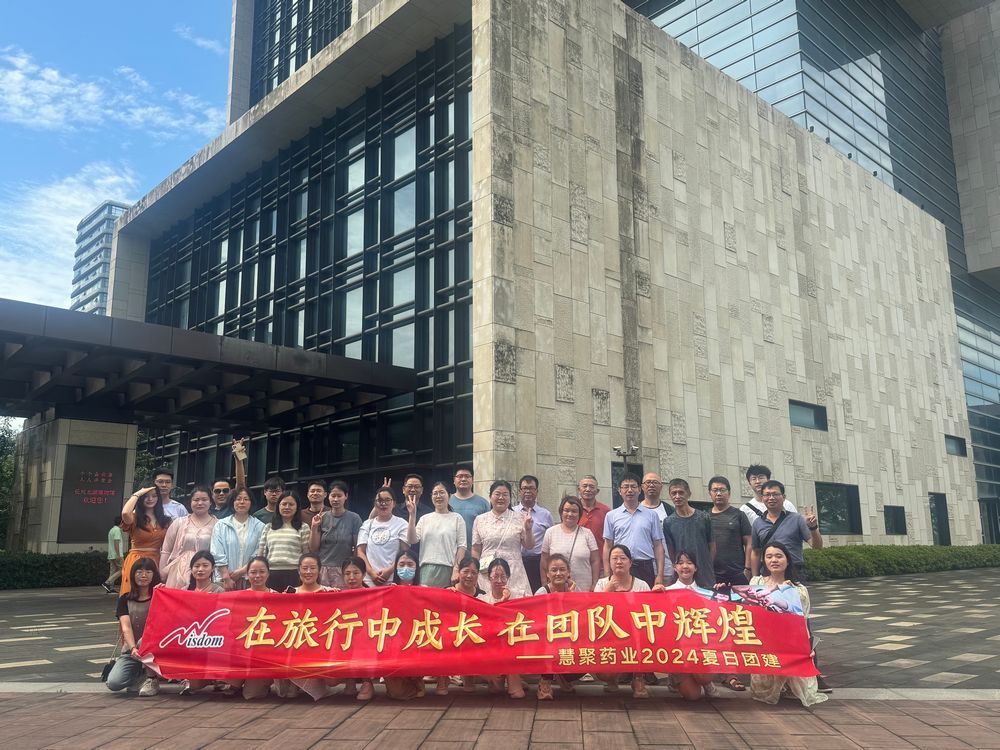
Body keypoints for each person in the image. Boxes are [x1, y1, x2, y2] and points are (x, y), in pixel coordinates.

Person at [749, 542, 828, 707]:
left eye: (779, 556)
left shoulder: (798, 590)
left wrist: (808, 647)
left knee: (802, 689)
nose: (774, 560)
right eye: (769, 556)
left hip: (788, 640)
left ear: (787, 560)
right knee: (762, 690)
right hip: (764, 640)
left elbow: (802, 621)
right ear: (764, 560)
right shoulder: (755, 583)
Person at [706, 475, 752, 692]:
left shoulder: (738, 515)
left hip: (737, 577)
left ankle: (740, 668)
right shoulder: (705, 517)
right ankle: (724, 672)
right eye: (715, 490)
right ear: (709, 493)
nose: (719, 493)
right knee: (717, 626)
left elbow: (749, 543)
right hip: (713, 579)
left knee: (738, 625)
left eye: (722, 490)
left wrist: (747, 569)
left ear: (729, 493)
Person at [593, 544, 657, 698]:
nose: (619, 562)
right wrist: (607, 591)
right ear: (609, 562)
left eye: (623, 558)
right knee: (603, 673)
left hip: (636, 635)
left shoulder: (642, 585)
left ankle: (638, 679)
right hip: (609, 635)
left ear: (630, 562)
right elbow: (594, 612)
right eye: (614, 558)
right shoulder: (602, 584)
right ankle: (611, 680)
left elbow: (650, 614)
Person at [664, 551, 719, 700]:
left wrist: (721, 592)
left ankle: (706, 683)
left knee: (704, 677)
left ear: (696, 568)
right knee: (692, 696)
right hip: (678, 651)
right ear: (675, 567)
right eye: (680, 563)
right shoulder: (666, 592)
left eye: (689, 563)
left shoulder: (707, 592)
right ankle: (674, 678)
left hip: (701, 647)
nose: (685, 566)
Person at [106, 557, 162, 696]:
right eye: (139, 572)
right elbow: (126, 627)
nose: (143, 575)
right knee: (114, 683)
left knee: (144, 642)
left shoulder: (159, 596)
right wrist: (132, 648)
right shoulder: (125, 599)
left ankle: (152, 679)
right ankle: (140, 675)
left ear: (154, 575)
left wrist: (164, 592)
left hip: (155, 649)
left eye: (148, 571)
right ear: (133, 575)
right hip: (132, 650)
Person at [602, 474, 666, 589]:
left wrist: (660, 575)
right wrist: (607, 574)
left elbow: (658, 546)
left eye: (633, 486)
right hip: (620, 566)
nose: (630, 490)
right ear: (619, 491)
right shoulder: (611, 516)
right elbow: (607, 546)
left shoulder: (652, 515)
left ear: (640, 489)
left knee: (646, 599)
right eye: (625, 487)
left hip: (645, 566)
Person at [472, 480, 534, 598]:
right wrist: (474, 573)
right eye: (497, 494)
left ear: (510, 498)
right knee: (489, 603)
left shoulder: (520, 518)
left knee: (515, 604)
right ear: (490, 497)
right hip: (487, 573)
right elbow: (476, 550)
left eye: (505, 494)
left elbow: (529, 546)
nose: (501, 498)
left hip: (514, 572)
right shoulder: (480, 520)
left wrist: (528, 529)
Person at [749, 480, 822, 577]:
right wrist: (754, 578)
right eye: (767, 495)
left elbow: (817, 546)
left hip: (793, 572)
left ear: (783, 497)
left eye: (775, 494)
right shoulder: (757, 523)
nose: (771, 498)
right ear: (762, 498)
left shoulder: (797, 519)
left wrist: (813, 528)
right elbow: (755, 552)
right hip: (768, 573)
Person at [476, 558, 525, 699]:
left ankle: (513, 680)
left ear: (508, 577)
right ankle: (499, 679)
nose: (499, 580)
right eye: (495, 576)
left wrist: (507, 602)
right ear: (488, 578)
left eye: (503, 576)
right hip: (490, 648)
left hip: (512, 645)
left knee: (517, 694)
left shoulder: (518, 596)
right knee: (496, 690)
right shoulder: (482, 599)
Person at [534, 554, 580, 700]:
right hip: (547, 638)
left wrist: (571, 598)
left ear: (568, 572)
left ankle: (564, 677)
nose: (558, 573)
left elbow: (583, 617)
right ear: (547, 574)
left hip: (570, 637)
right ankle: (545, 681)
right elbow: (536, 621)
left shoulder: (575, 590)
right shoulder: (541, 593)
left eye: (562, 569)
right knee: (549, 645)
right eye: (554, 570)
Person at [407, 481, 466, 587]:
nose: (438, 496)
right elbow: (412, 540)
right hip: (425, 569)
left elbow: (462, 546)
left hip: (448, 569)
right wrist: (412, 515)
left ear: (449, 496)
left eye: (442, 492)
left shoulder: (457, 518)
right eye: (435, 493)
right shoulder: (424, 519)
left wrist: (456, 569)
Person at [540, 495, 600, 594]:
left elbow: (595, 560)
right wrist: (544, 584)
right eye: (566, 510)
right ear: (561, 512)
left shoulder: (587, 533)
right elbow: (544, 560)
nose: (570, 514)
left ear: (579, 514)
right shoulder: (550, 532)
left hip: (584, 587)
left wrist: (594, 583)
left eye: (574, 511)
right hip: (556, 588)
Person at [159, 486, 217, 589]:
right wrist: (162, 572)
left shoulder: (218, 525)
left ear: (210, 502)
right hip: (178, 573)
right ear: (190, 502)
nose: (200, 503)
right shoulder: (179, 523)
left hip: (205, 573)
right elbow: (166, 550)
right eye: (196, 500)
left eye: (204, 500)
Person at [662, 478, 715, 589]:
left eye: (681, 492)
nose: (677, 496)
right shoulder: (668, 522)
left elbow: (712, 546)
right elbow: (671, 551)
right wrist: (679, 567)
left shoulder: (703, 517)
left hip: (705, 572)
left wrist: (707, 564)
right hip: (683, 573)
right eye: (673, 493)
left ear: (689, 494)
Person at [309, 480, 362, 588]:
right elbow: (313, 548)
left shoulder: (354, 518)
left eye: (339, 496)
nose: (336, 499)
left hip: (344, 569)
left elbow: (357, 547)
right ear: (328, 497)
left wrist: (353, 569)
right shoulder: (322, 517)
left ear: (346, 496)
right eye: (333, 496)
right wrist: (314, 527)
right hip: (323, 569)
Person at [211, 485, 266, 591]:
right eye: (238, 499)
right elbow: (217, 552)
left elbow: (259, 552)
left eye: (246, 499)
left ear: (251, 503)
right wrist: (226, 576)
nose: (242, 502)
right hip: (224, 580)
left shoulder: (260, 526)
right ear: (232, 502)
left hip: (250, 579)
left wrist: (242, 571)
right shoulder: (221, 525)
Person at [119, 485, 171, 595]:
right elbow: (125, 513)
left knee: (154, 596)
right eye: (146, 496)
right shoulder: (135, 517)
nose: (150, 499)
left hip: (157, 561)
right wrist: (137, 494)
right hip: (136, 561)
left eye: (154, 496)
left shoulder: (165, 520)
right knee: (132, 594)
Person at [257, 490, 311, 591]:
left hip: (295, 574)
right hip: (271, 573)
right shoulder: (268, 527)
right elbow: (261, 553)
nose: (287, 507)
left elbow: (306, 554)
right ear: (278, 506)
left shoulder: (303, 527)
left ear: (297, 507)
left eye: (291, 504)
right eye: (284, 504)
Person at [358, 486, 410, 586]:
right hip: (369, 580)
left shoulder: (402, 524)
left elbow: (405, 552)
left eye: (387, 500)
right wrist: (371, 573)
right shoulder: (367, 524)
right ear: (375, 504)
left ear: (394, 503)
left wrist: (389, 571)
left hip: (393, 580)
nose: (383, 503)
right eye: (379, 500)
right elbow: (360, 552)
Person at [513, 474, 554, 594]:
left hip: (538, 562)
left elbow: (551, 540)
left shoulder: (545, 514)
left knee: (537, 594)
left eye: (531, 488)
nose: (528, 491)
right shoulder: (512, 512)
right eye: (524, 488)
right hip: (517, 560)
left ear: (537, 491)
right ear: (520, 491)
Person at [741, 465, 794, 529]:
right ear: (749, 483)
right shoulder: (745, 509)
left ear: (768, 480)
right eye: (754, 479)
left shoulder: (786, 504)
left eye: (761, 478)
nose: (757, 481)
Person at [449, 466, 489, 550]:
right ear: (454, 480)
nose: (463, 479)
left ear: (473, 479)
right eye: (460, 476)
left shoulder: (483, 503)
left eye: (467, 476)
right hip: (449, 551)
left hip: (475, 552)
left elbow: (488, 530)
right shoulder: (446, 502)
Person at [577, 475, 610, 559]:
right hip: (577, 561)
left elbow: (610, 540)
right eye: (584, 486)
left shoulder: (606, 511)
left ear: (597, 491)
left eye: (591, 487)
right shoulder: (573, 510)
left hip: (600, 561)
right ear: (579, 489)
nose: (588, 489)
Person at [101, 516, 127, 594]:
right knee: (122, 569)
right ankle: (107, 583)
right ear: (121, 522)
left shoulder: (112, 530)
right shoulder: (117, 530)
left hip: (111, 555)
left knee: (113, 572)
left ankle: (109, 589)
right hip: (117, 555)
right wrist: (118, 555)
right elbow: (116, 542)